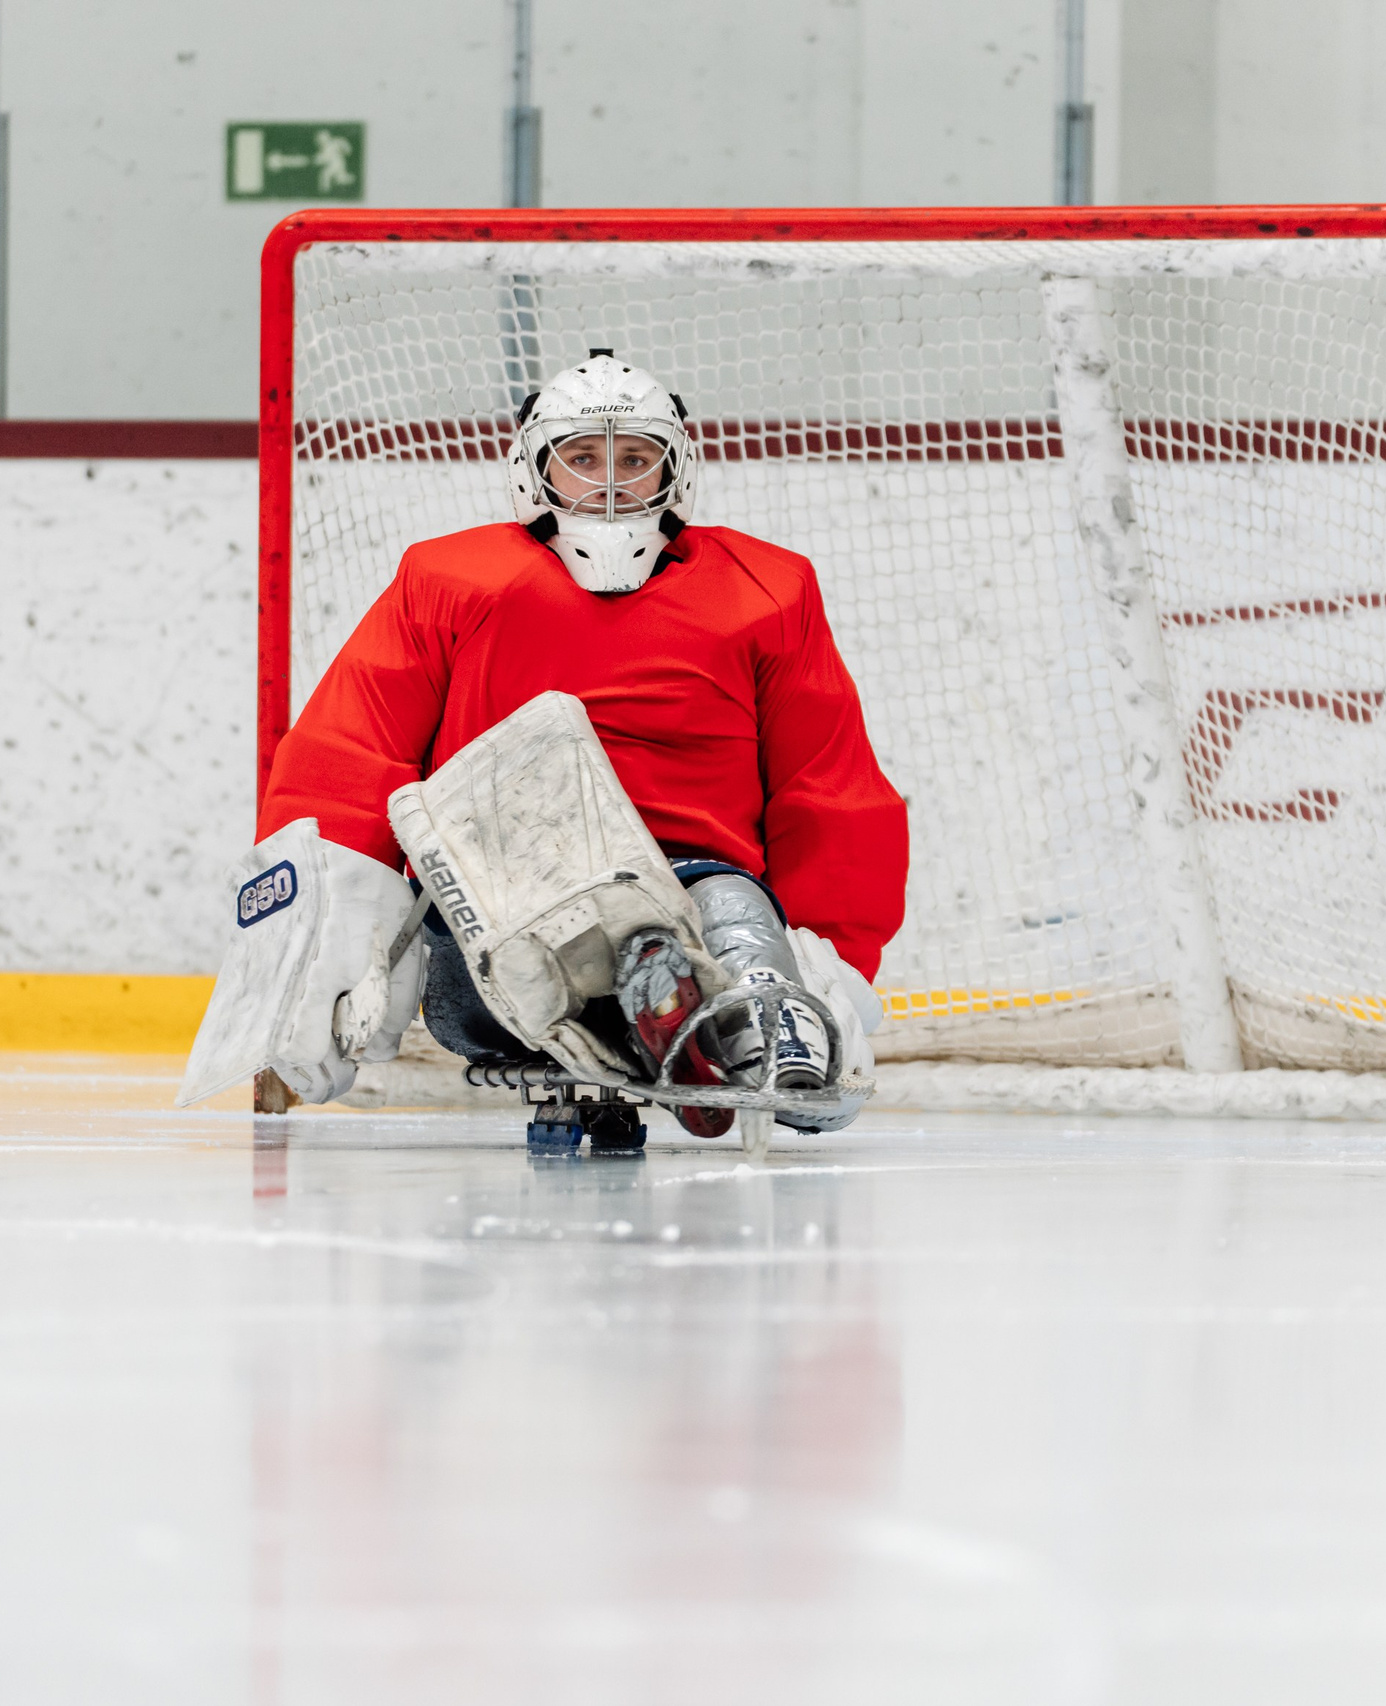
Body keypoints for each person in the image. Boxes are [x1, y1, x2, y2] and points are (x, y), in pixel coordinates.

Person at [184, 350, 908, 1138]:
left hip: (693, 892)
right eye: (582, 458)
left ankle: (760, 1028)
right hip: (494, 920)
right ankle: (693, 1018)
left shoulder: (767, 591)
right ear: (536, 470)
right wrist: (322, 953)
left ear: (677, 469)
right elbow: (345, 759)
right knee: (620, 935)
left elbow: (827, 791)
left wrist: (832, 953)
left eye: (635, 458)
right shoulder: (449, 582)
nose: (608, 482)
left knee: (725, 906)